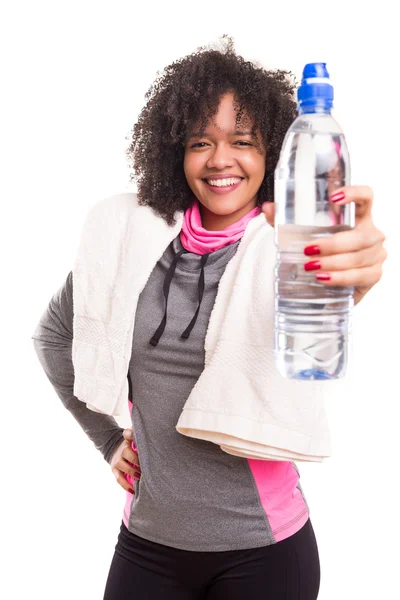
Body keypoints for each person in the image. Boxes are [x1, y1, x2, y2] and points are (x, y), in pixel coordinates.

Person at [31, 36, 387, 600]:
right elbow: (55, 337)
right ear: (176, 150)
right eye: (202, 142)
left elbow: (325, 302)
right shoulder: (131, 242)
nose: (221, 160)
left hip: (264, 552)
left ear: (273, 153)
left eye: (243, 142)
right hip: (146, 542)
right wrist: (106, 438)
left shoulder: (287, 247)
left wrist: (355, 271)